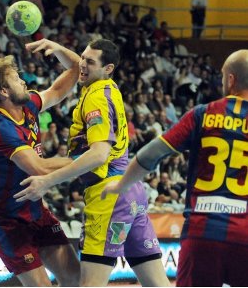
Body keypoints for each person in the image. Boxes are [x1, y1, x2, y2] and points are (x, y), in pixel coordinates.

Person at [14, 39, 169, 286]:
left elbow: (99, 154)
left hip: (108, 196)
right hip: (131, 194)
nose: (81, 65)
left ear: (107, 68)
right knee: (158, 283)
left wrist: (47, 181)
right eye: (82, 58)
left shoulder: (96, 99)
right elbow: (79, 65)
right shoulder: (107, 86)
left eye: (89, 61)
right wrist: (57, 48)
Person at [102, 49, 248, 286]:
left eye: (222, 76)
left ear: (231, 80)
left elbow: (151, 154)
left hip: (202, 234)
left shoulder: (203, 114)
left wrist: (121, 184)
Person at [0, 42, 81, 286]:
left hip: (36, 212)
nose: (23, 82)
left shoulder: (29, 106)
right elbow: (40, 168)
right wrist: (89, 159)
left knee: (75, 279)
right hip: (6, 221)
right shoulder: (0, 129)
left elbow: (74, 71)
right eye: (16, 78)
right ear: (4, 91)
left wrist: (56, 48)